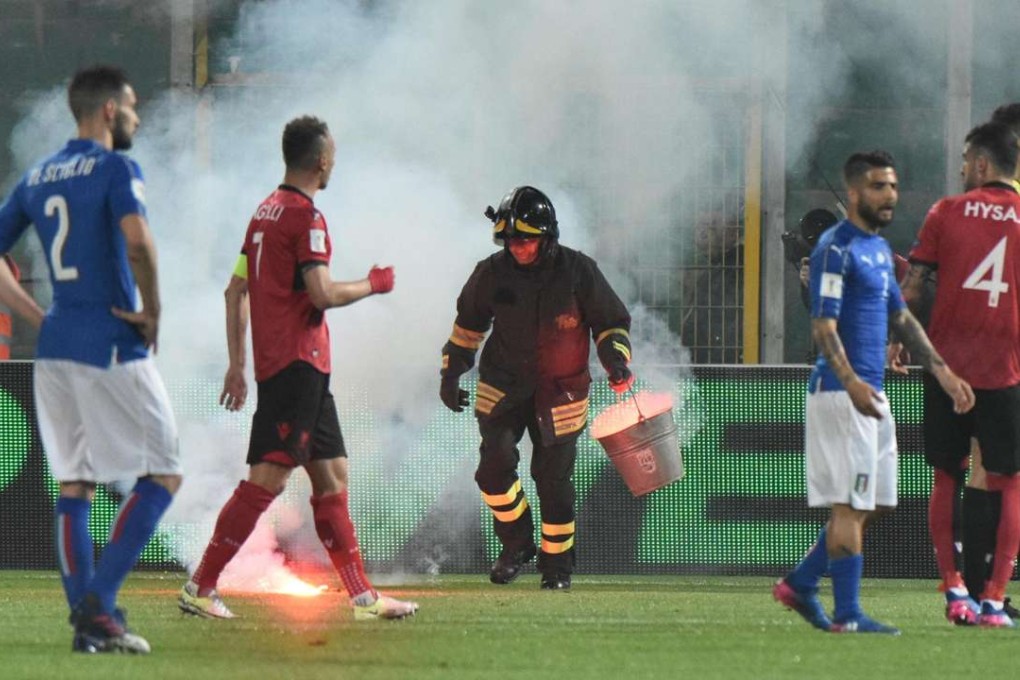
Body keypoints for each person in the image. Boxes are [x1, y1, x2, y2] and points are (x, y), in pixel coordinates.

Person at [178, 115, 418, 622]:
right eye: (333, 157)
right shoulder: (305, 218)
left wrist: (237, 365)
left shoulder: (263, 214)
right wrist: (373, 284)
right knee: (267, 479)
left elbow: (234, 291)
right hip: (296, 366)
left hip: (293, 368)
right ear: (322, 160)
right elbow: (322, 293)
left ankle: (363, 599)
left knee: (332, 475)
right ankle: (200, 586)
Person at [0, 65, 181, 654]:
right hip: (111, 340)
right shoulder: (116, 168)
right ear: (108, 110)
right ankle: (100, 603)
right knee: (164, 472)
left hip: (55, 348)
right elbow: (138, 241)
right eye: (132, 106)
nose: (136, 117)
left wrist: (39, 315)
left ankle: (89, 626)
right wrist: (153, 310)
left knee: (75, 483)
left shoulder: (38, 174)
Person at [773, 150, 974, 634]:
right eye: (880, 186)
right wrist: (851, 381)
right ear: (855, 192)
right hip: (841, 392)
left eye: (893, 186)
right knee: (851, 504)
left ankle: (801, 581)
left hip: (872, 391)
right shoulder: (834, 247)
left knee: (878, 502)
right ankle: (848, 614)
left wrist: (944, 372)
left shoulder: (879, 251)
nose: (890, 196)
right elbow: (823, 325)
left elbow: (902, 318)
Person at [440, 185, 633, 590]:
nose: (517, 248)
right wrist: (451, 374)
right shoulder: (490, 273)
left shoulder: (579, 271)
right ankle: (517, 544)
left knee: (553, 484)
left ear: (547, 237)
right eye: (510, 240)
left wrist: (616, 361)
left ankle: (557, 567)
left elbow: (610, 323)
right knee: (493, 471)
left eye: (525, 240)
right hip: (502, 387)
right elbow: (468, 328)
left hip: (561, 393)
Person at [902, 121, 1020, 627]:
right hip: (1005, 368)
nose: (961, 169)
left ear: (981, 163)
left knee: (948, 473)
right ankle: (993, 599)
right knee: (1008, 480)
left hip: (946, 367)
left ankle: (954, 590)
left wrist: (897, 340)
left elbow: (912, 288)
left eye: (965, 160)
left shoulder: (945, 211)